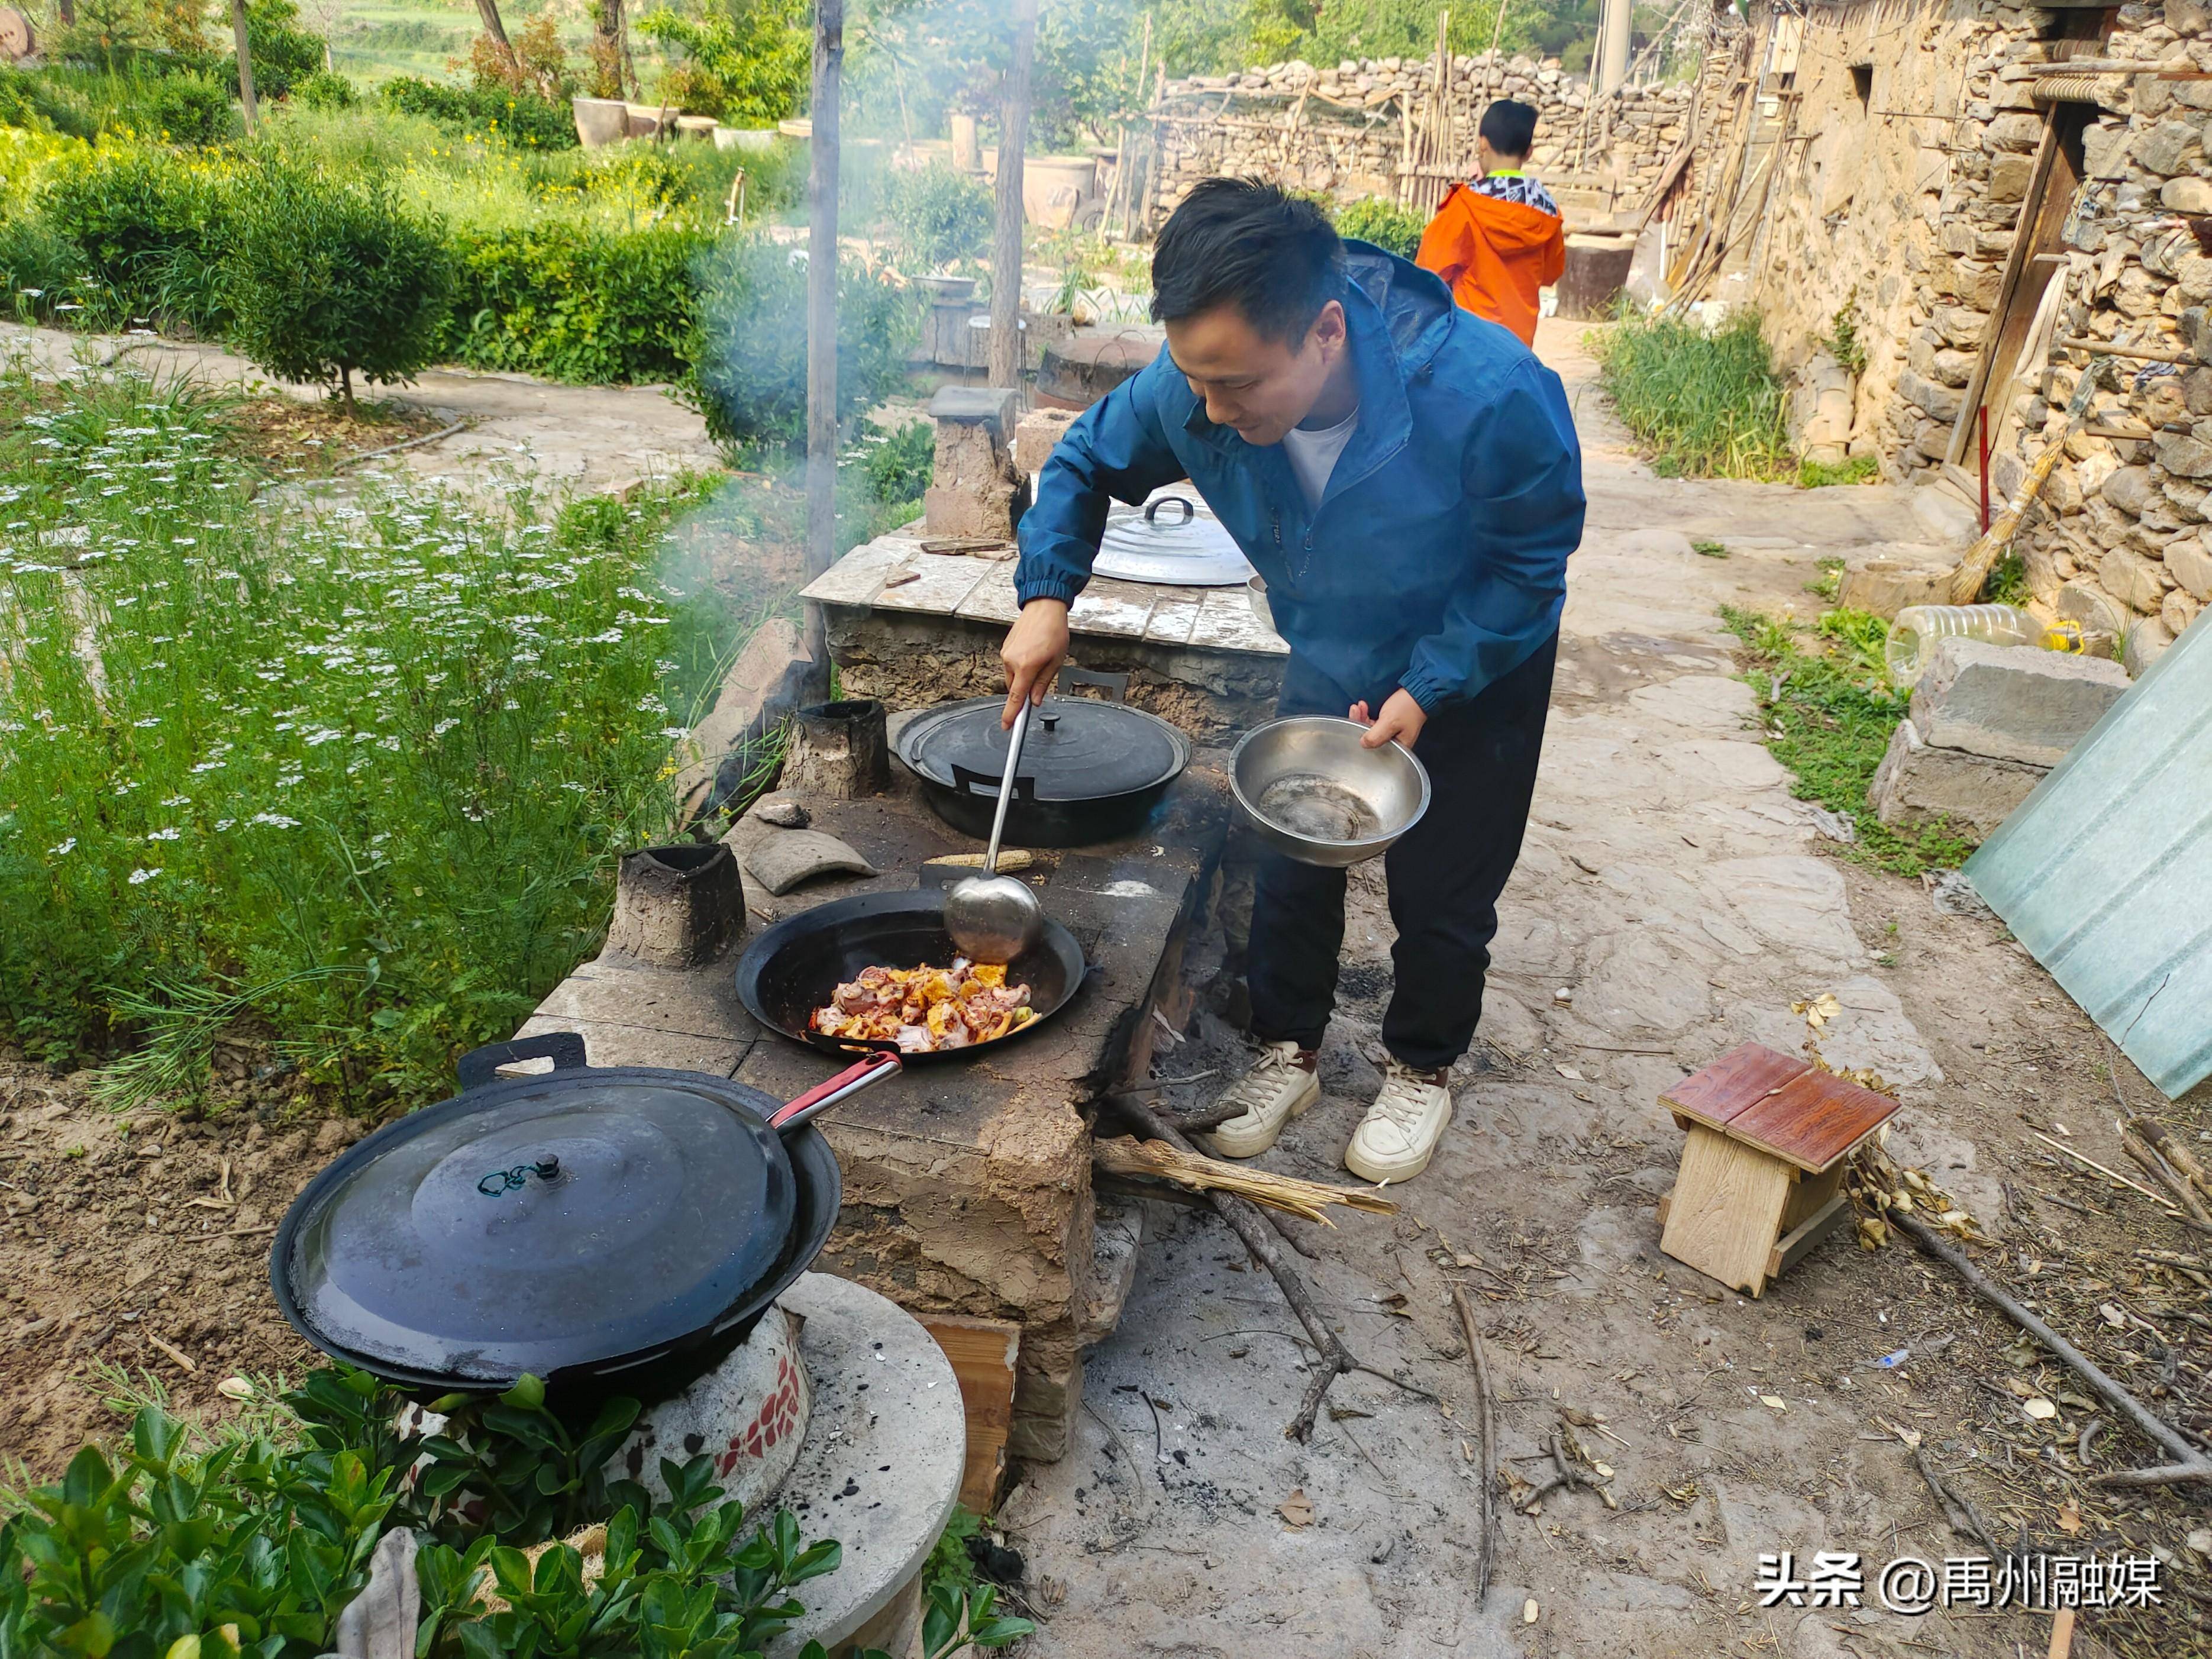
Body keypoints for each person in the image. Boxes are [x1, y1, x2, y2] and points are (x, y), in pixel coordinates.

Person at [1002, 179, 1584, 1184]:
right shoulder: (1195, 389)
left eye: (1236, 386)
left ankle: (1420, 1064)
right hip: (1333, 638)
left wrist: (1432, 684)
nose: (1211, 413)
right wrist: (1047, 593)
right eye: (1194, 380)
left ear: (1323, 332)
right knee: (1292, 855)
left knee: (1443, 881)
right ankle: (1290, 1047)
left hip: (1477, 655)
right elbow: (1086, 459)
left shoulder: (1488, 393)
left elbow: (1527, 563)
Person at [1415, 98, 1566, 348]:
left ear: (1483, 144)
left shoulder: (1464, 206)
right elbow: (1551, 274)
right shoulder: (1548, 210)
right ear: (1529, 153)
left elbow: (1428, 274)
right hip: (1518, 348)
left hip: (1468, 345)